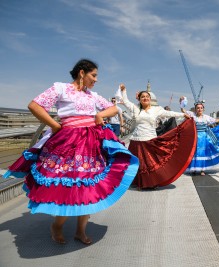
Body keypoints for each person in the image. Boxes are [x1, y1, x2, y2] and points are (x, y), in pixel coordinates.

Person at [3, 59, 139, 245]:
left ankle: (80, 231)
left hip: (90, 144)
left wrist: (100, 115)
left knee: (88, 185)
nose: (96, 80)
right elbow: (34, 105)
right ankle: (57, 225)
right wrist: (55, 125)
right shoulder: (60, 89)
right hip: (67, 142)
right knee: (66, 184)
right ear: (82, 73)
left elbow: (114, 108)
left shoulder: (92, 95)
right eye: (94, 75)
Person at [120, 84, 196, 189]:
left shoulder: (157, 109)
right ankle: (140, 183)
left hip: (150, 139)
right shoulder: (135, 108)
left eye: (147, 96)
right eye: (143, 97)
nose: (145, 98)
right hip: (136, 141)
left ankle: (151, 182)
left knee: (151, 163)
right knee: (139, 163)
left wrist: (183, 115)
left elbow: (169, 113)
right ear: (139, 99)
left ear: (150, 99)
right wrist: (124, 91)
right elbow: (126, 102)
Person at [182, 99, 219, 176]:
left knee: (203, 152)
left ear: (203, 109)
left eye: (201, 108)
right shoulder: (193, 116)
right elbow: (183, 111)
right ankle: (194, 168)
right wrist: (182, 103)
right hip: (195, 137)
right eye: (198, 108)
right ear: (195, 109)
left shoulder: (206, 117)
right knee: (195, 152)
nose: (199, 109)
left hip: (204, 137)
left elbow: (215, 120)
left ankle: (202, 169)